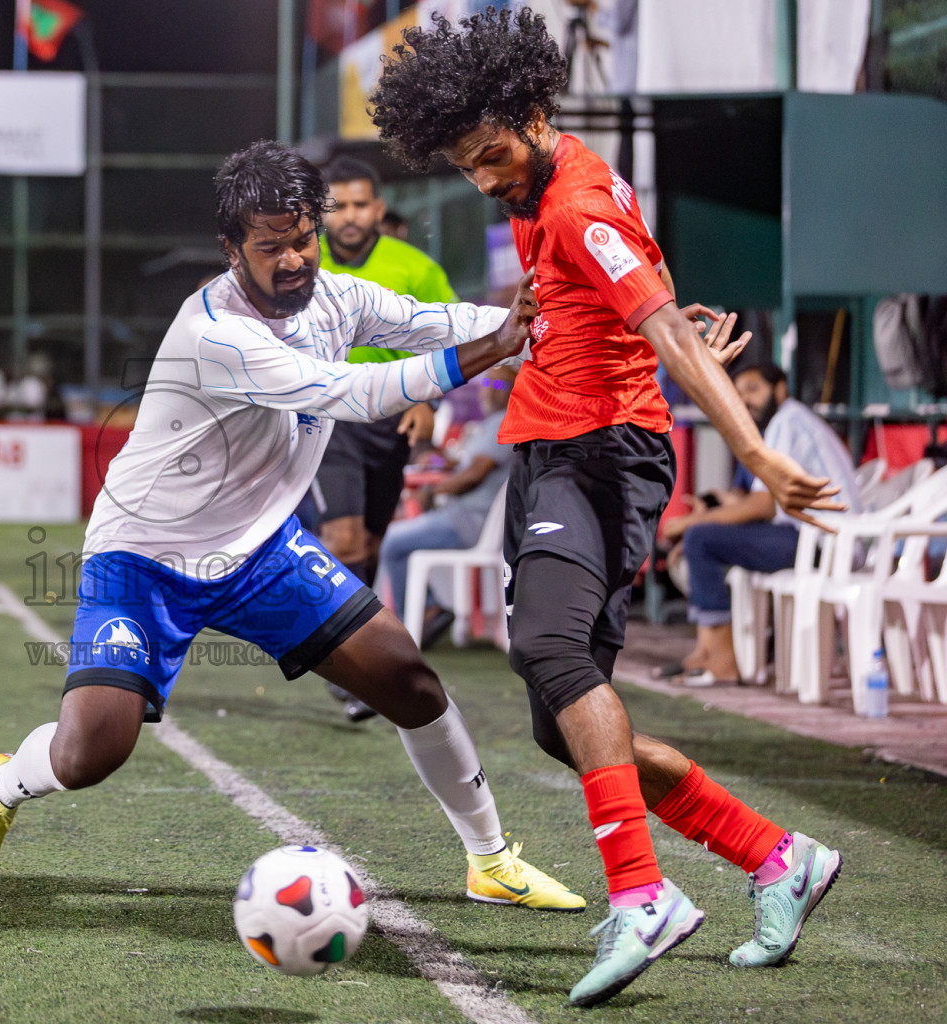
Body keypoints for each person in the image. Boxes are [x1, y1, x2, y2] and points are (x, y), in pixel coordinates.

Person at [0, 140, 586, 915]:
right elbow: (353, 391)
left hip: (259, 549)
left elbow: (433, 320)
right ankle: (3, 782)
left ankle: (490, 860)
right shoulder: (217, 333)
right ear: (231, 249)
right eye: (271, 246)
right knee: (91, 752)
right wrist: (495, 345)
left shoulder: (337, 298)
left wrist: (555, 322)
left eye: (303, 238)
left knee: (409, 681)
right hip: (144, 554)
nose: (293, 260)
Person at [373, 8, 845, 1006]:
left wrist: (752, 445)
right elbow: (650, 285)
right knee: (562, 724)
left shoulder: (577, 198)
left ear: (535, 112)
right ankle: (774, 856)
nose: (485, 178)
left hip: (599, 457)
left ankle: (641, 894)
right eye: (464, 166)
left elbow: (662, 322)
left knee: (549, 650)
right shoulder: (544, 178)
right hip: (554, 450)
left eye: (491, 155)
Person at [311, 156, 462, 721]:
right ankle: (354, 668)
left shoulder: (413, 266)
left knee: (369, 546)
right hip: (327, 412)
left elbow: (447, 336)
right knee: (346, 542)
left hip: (393, 416)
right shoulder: (301, 262)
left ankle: (351, 657)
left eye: (359, 204)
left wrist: (427, 398)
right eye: (338, 205)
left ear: (377, 208)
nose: (349, 216)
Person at [663, 364, 859, 684]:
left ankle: (723, 661)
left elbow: (763, 505)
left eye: (753, 389)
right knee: (703, 537)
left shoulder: (787, 421)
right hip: (809, 537)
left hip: (825, 543)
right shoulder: (785, 422)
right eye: (739, 393)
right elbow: (761, 502)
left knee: (701, 537)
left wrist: (692, 523)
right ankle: (706, 650)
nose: (745, 400)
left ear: (780, 389)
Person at [380, 364, 516, 646]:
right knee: (394, 539)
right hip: (467, 518)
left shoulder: (504, 420)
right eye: (488, 384)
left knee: (391, 540)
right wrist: (443, 460)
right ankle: (427, 610)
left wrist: (434, 491)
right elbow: (468, 461)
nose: (490, 392)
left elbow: (475, 472)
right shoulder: (492, 424)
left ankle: (422, 616)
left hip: (469, 522)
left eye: (500, 386)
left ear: (515, 392)